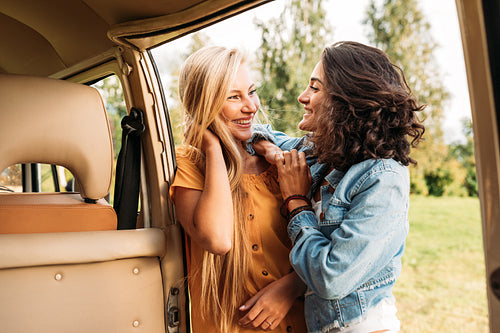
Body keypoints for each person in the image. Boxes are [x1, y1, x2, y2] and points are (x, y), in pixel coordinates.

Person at [252, 41, 425, 333]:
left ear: (346, 102)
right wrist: (270, 150)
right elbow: (255, 131)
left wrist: (296, 201)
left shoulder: (383, 179)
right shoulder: (322, 154)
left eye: (315, 88)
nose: (301, 97)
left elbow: (331, 277)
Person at [168, 46, 307, 333]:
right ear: (204, 104)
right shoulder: (189, 164)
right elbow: (218, 239)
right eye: (234, 97)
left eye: (252, 92)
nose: (251, 106)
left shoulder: (279, 162)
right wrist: (211, 146)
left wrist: (291, 287)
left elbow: (323, 244)